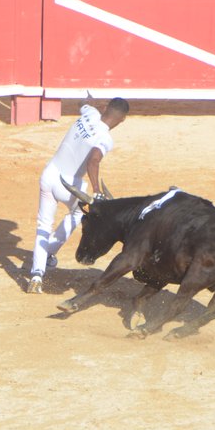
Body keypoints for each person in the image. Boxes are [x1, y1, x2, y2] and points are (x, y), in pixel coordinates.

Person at [26, 98, 130, 294]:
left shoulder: (89, 113)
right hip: (69, 184)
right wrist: (97, 190)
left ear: (105, 107)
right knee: (77, 214)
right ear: (122, 120)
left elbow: (83, 102)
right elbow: (93, 161)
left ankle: (37, 274)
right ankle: (49, 253)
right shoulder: (105, 138)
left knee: (43, 225)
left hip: (49, 174)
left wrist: (93, 102)